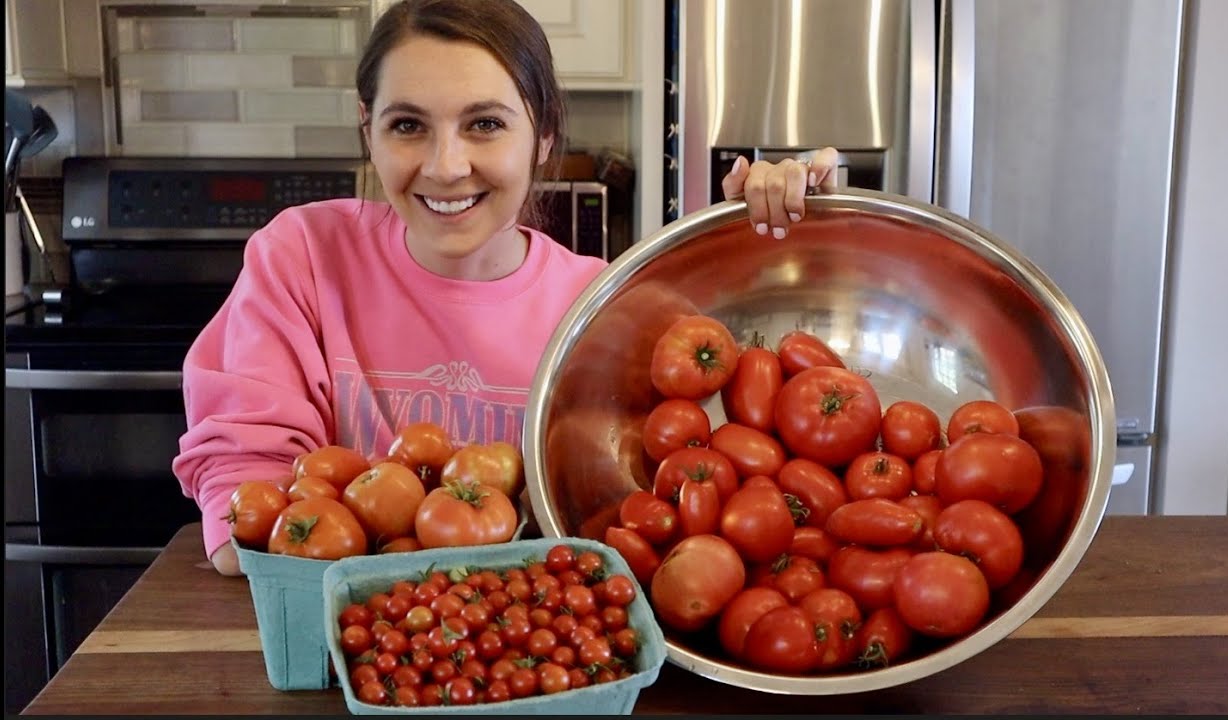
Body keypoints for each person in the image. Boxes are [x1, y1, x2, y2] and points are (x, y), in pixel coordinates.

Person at [172, 0, 840, 576]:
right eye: (407, 125)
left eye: (485, 124)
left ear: (543, 134)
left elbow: (714, 490)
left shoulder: (605, 312)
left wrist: (750, 251)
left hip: (524, 656)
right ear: (366, 129)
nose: (446, 166)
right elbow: (245, 513)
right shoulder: (305, 257)